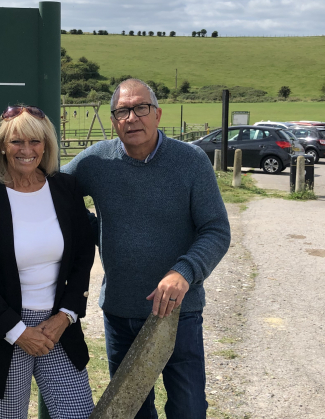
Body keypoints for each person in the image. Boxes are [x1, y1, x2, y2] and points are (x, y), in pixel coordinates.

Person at [63, 79, 230, 418]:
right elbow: (51, 189)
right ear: (113, 120)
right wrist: (92, 226)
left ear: (157, 114)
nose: (132, 117)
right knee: (132, 411)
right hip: (120, 311)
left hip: (178, 313)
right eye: (122, 111)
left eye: (141, 108)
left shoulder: (190, 161)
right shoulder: (96, 162)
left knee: (189, 409)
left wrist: (184, 272)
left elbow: (216, 230)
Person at [0, 105, 96, 419]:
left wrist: (67, 314)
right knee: (8, 416)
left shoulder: (66, 190)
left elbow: (83, 257)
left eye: (35, 142)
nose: (27, 150)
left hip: (57, 326)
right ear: (3, 146)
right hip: (6, 330)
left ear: (45, 146)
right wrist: (17, 331)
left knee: (78, 412)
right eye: (17, 142)